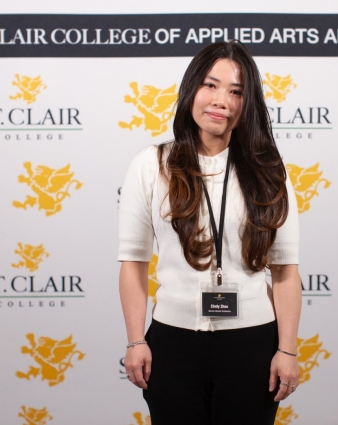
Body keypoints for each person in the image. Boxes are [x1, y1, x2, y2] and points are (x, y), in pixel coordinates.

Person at [118, 40, 301, 425]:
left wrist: (287, 350)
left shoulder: (268, 171)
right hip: (173, 341)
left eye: (236, 92)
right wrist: (136, 340)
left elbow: (285, 271)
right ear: (191, 89)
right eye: (211, 85)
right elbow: (133, 263)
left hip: (252, 342)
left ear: (248, 104)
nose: (221, 100)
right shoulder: (152, 165)